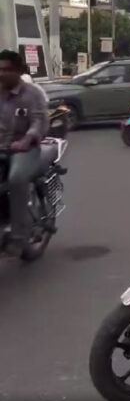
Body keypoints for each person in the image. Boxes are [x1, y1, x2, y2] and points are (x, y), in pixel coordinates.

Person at [0, 50, 49, 255]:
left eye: (7, 69)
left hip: (24, 148)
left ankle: (19, 236)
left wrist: (27, 139)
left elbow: (39, 120)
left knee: (17, 178)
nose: (2, 73)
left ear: (19, 70)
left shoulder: (32, 93)